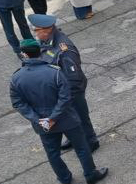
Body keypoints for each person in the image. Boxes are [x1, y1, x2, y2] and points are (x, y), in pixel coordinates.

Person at [10, 39, 108, 184]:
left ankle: (65, 180)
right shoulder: (54, 72)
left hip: (43, 124)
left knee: (53, 153)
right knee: (81, 147)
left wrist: (40, 120)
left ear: (24, 54)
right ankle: (90, 175)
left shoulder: (16, 78)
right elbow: (65, 97)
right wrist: (53, 117)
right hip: (66, 118)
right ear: (39, 52)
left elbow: (18, 103)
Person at [30, 14, 97, 152]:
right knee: (70, 118)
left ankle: (91, 141)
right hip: (60, 90)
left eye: (35, 30)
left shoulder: (64, 49)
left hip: (72, 91)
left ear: (46, 30)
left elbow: (73, 77)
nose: (34, 33)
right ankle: (74, 139)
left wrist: (66, 95)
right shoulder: (48, 41)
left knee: (81, 117)